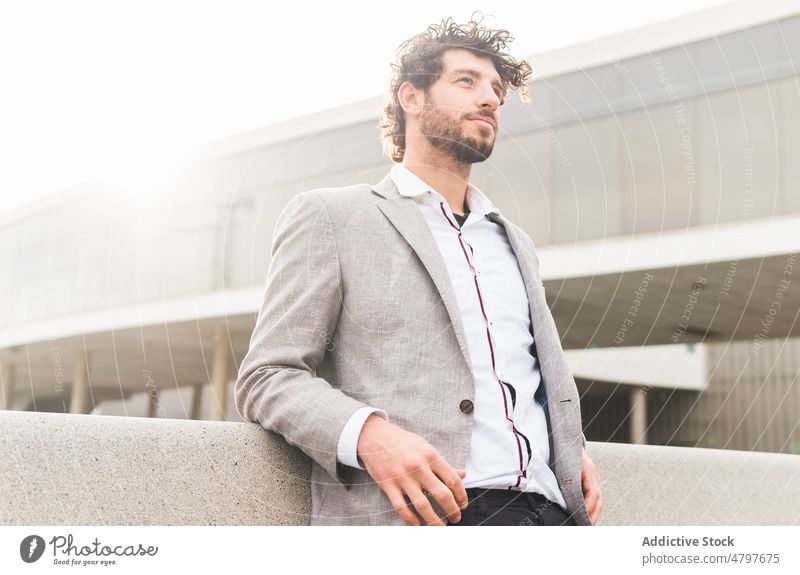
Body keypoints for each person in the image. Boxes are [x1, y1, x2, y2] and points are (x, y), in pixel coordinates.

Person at [235, 16, 602, 526]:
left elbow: (523, 378)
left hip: (553, 516)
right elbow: (267, 377)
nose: (491, 99)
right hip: (431, 519)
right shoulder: (333, 217)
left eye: (496, 89)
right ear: (412, 97)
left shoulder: (514, 242)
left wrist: (565, 446)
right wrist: (369, 434)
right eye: (466, 81)